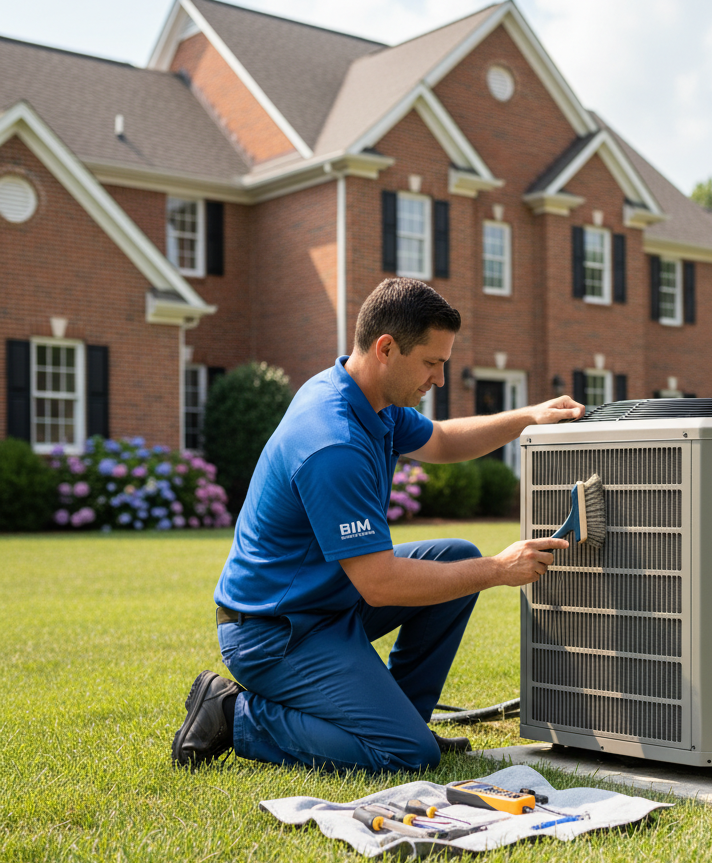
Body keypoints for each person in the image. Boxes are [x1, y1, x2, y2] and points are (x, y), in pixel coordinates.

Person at [172, 277, 584, 774]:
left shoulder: (371, 400)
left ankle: (402, 716)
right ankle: (233, 713)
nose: (439, 379)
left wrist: (529, 418)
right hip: (276, 633)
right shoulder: (333, 441)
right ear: (387, 348)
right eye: (432, 363)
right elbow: (381, 583)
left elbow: (443, 441)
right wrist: (498, 569)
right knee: (406, 754)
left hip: (327, 603)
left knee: (454, 557)